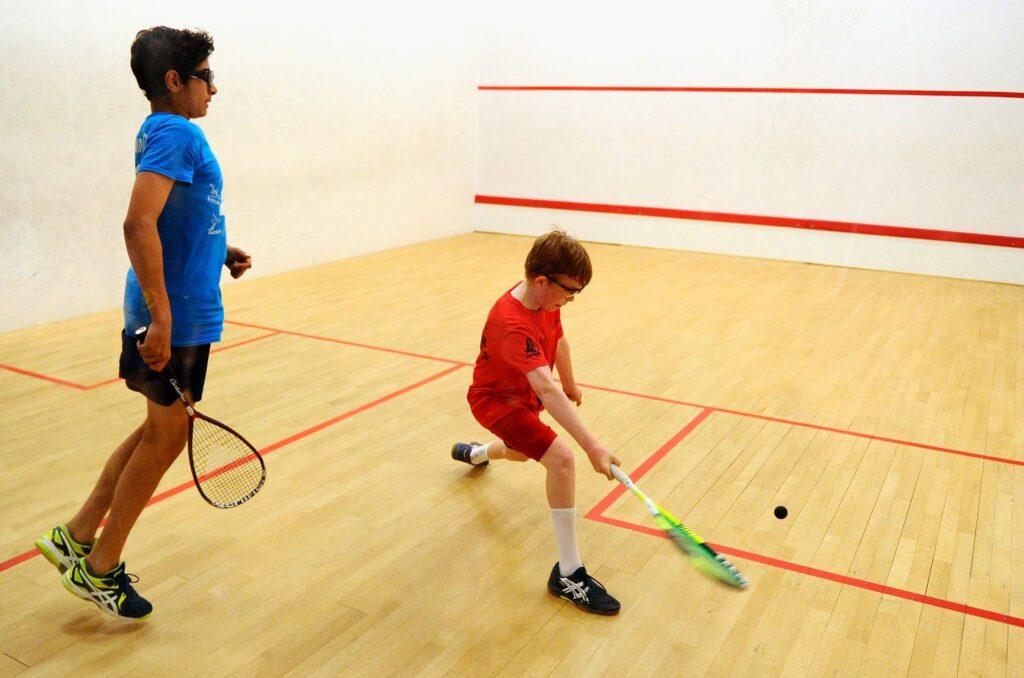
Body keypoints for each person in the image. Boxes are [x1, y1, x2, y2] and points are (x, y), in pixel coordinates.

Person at [34, 26, 252, 620]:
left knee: (159, 430)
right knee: (164, 437)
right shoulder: (177, 132)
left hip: (177, 306)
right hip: (174, 318)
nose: (214, 89)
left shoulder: (161, 131)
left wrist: (219, 249)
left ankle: (76, 535)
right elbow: (137, 224)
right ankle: (99, 569)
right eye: (206, 76)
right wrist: (161, 314)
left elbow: (178, 214)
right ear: (175, 81)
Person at [452, 229, 622, 615]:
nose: (570, 300)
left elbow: (559, 340)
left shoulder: (544, 299)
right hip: (497, 403)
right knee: (561, 459)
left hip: (522, 396)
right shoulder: (511, 322)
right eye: (569, 292)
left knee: (520, 453)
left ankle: (477, 453)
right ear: (542, 280)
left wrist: (570, 380)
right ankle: (569, 573)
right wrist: (593, 447)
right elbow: (546, 391)